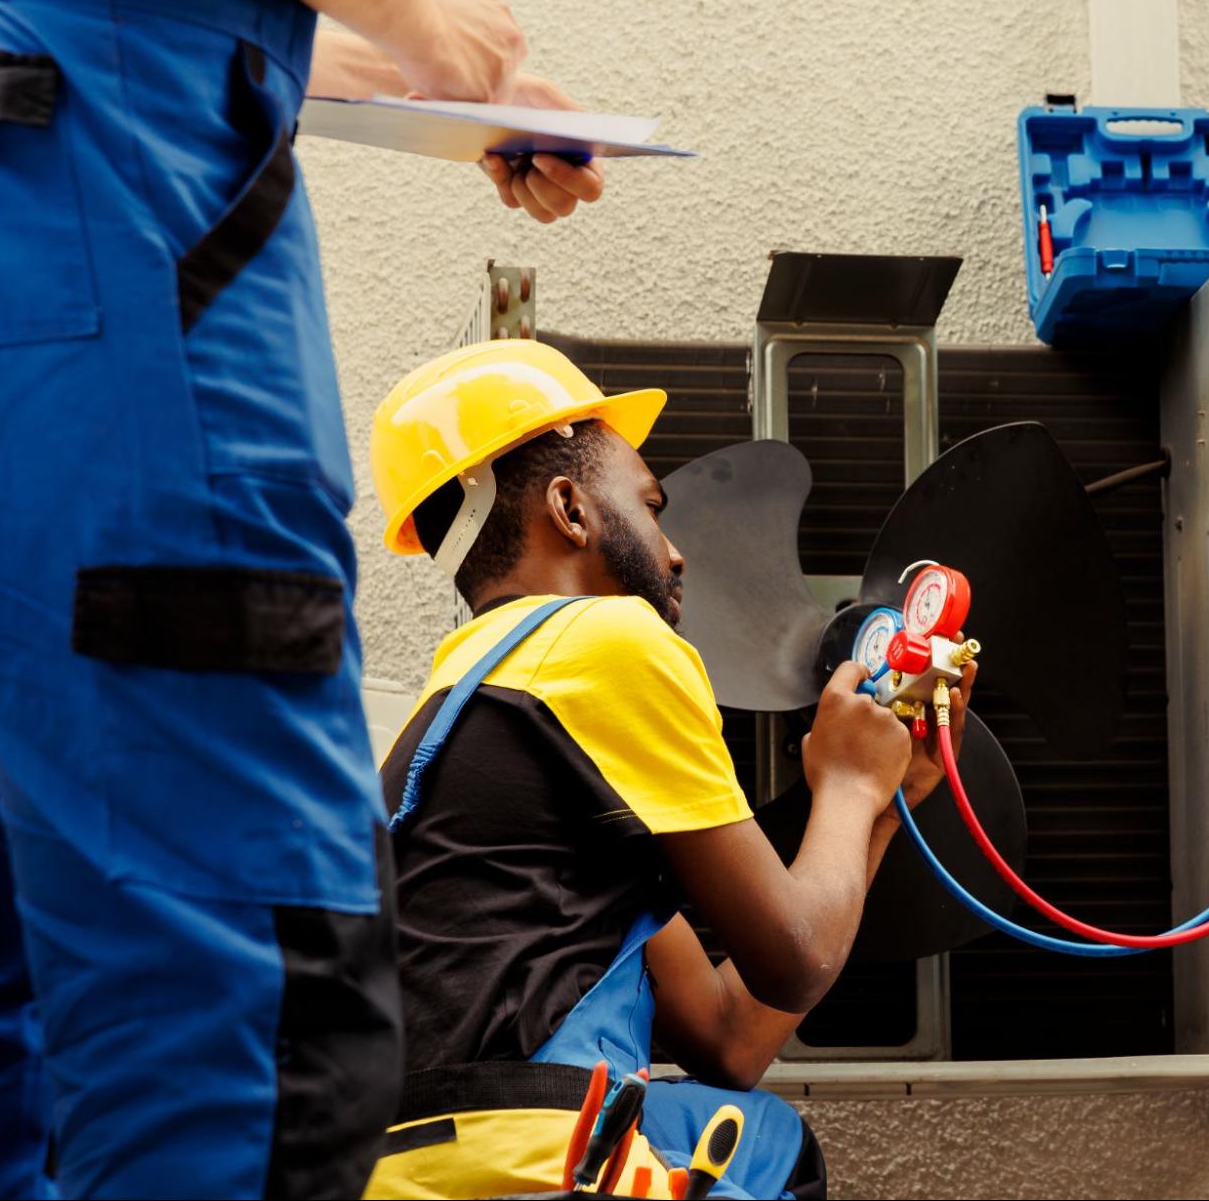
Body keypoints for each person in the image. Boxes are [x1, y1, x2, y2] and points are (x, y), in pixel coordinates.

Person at [0, 0, 600, 1194]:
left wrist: (413, 70)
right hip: (120, 265)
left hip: (19, 213)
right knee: (244, 1021)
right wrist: (426, 27)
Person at [362, 341, 967, 1199]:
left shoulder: (458, 713)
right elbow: (796, 957)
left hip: (400, 1168)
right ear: (570, 508)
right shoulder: (605, 640)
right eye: (650, 506)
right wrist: (847, 780)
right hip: (530, 1157)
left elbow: (729, 1037)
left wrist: (885, 798)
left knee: (762, 1138)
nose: (675, 552)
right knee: (767, 1153)